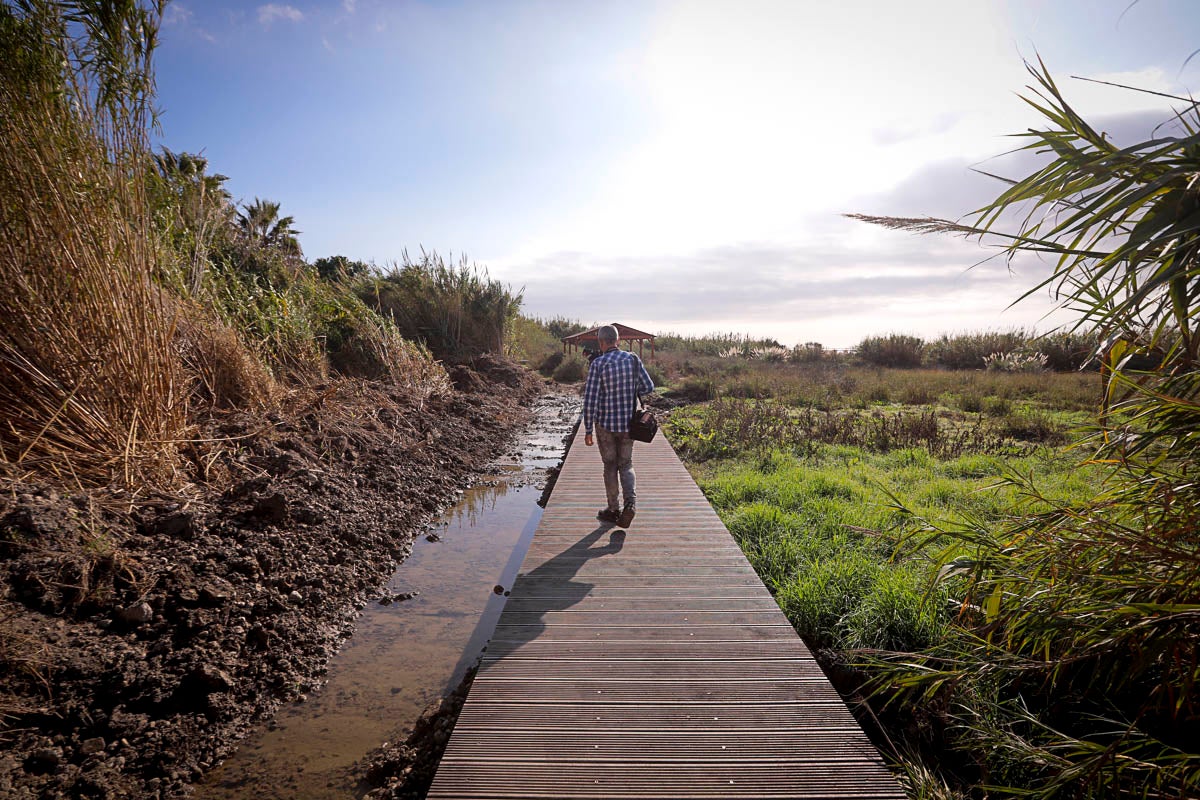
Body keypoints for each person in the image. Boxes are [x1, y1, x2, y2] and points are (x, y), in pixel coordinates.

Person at [582, 325, 654, 527]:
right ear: (618, 340)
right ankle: (630, 504)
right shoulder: (632, 359)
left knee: (609, 466)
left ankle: (613, 510)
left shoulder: (598, 364)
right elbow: (648, 387)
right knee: (626, 464)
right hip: (627, 425)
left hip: (605, 425)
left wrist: (588, 430)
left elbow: (590, 400)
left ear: (601, 342)